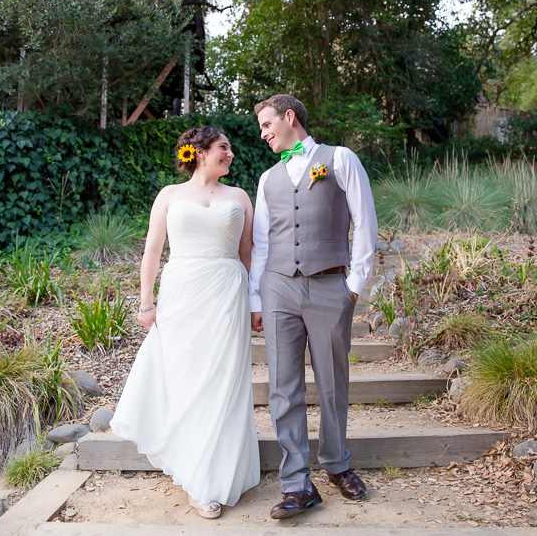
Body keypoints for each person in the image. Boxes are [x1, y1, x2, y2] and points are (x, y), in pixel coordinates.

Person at [110, 126, 260, 520]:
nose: (231, 154)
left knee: (223, 381)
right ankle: (193, 471)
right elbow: (152, 251)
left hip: (227, 293)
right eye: (224, 147)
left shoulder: (240, 197)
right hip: (182, 294)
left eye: (229, 148)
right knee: (186, 379)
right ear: (200, 151)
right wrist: (146, 304)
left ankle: (213, 477)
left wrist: (254, 301)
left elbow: (249, 255)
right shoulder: (170, 195)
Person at [249, 94, 378, 520]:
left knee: (332, 384)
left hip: (329, 286)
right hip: (278, 289)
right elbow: (263, 243)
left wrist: (354, 285)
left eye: (267, 124)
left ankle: (337, 463)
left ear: (289, 118)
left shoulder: (340, 160)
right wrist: (257, 296)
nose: (263, 133)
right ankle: (296, 484)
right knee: (283, 388)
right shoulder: (267, 178)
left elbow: (365, 222)